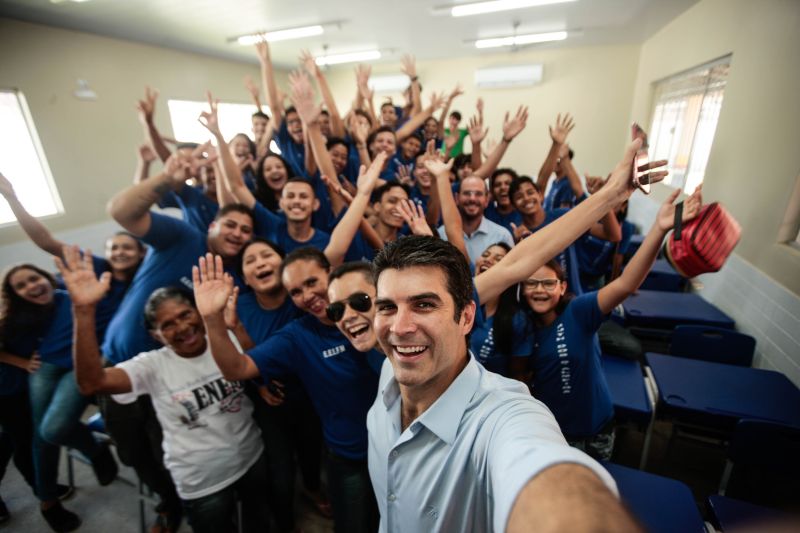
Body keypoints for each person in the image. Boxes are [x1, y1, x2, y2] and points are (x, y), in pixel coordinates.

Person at [365, 137, 667, 531]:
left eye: (423, 305)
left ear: (466, 316)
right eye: (387, 307)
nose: (400, 327)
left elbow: (543, 475)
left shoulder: (499, 418)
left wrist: (610, 194)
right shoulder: (390, 371)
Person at [57, 247, 270, 533]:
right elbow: (91, 383)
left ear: (197, 311)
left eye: (185, 314)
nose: (182, 327)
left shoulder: (224, 339)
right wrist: (83, 312)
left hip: (253, 458)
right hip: (203, 482)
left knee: (259, 521)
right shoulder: (151, 366)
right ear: (155, 335)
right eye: (167, 325)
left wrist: (227, 323)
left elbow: (258, 370)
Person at [104, 151, 255, 531]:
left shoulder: (232, 278)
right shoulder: (183, 237)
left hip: (175, 381)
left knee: (166, 452)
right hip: (122, 363)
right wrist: (165, 180)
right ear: (212, 224)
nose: (238, 233)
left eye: (246, 230)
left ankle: (176, 501)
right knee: (133, 453)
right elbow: (121, 211)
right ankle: (166, 504)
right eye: (230, 224)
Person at [510, 187, 702, 460]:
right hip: (552, 434)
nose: (539, 289)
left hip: (595, 431)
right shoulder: (523, 327)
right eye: (531, 283)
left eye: (548, 283)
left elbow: (626, 284)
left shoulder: (579, 312)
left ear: (562, 287)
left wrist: (659, 229)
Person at [0, 265, 82, 531]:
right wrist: (22, 362)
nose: (32, 286)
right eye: (21, 285)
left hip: (32, 381)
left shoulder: (53, 302)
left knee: (11, 440)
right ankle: (46, 498)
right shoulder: (10, 315)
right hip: (8, 387)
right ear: (13, 294)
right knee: (25, 441)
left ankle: (44, 488)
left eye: (34, 278)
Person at [437, 175, 514, 263]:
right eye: (467, 193)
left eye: (478, 194)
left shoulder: (502, 236)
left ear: (487, 200)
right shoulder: (441, 234)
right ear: (457, 198)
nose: (472, 199)